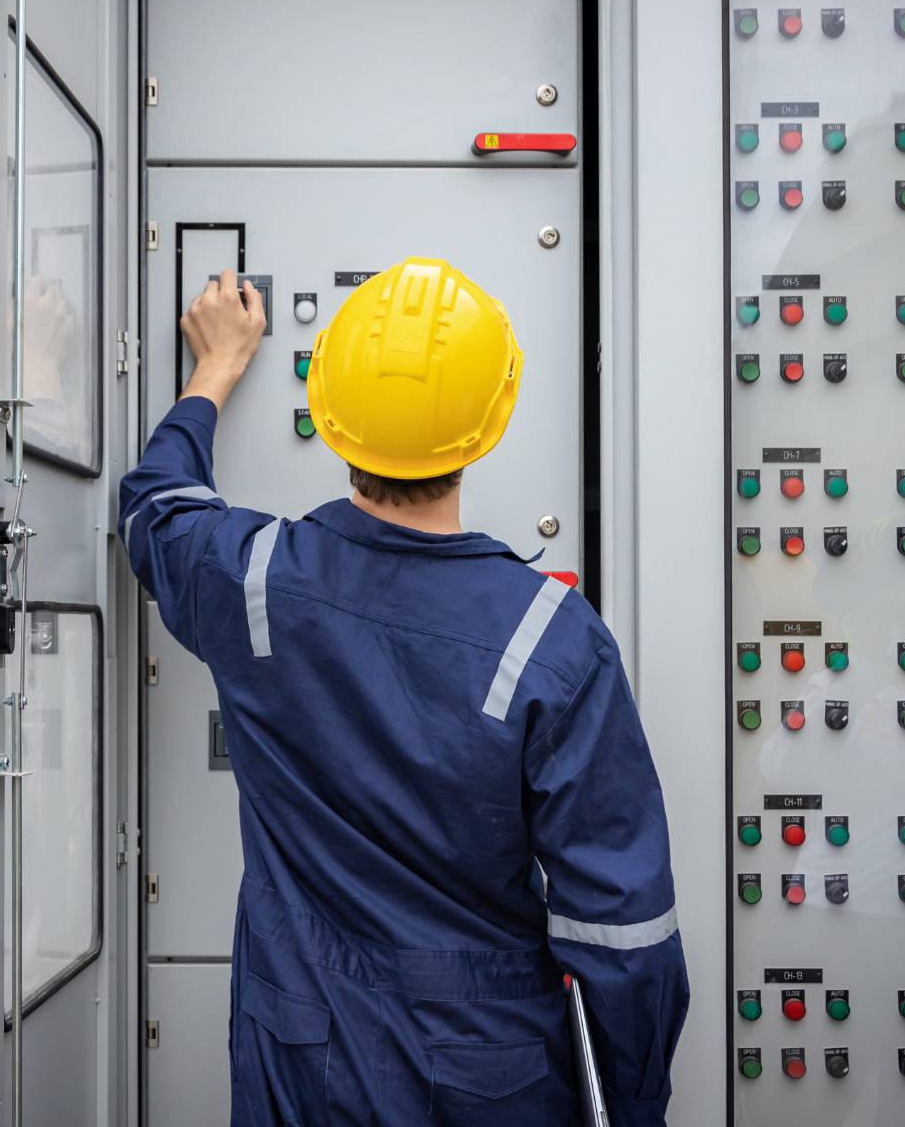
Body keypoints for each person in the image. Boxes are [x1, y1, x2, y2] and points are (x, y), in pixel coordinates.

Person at [121, 259, 688, 1126]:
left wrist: (218, 366)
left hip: (298, 1059)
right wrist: (634, 1103)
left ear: (335, 419)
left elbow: (155, 509)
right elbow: (623, 934)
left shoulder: (254, 580)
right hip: (488, 1075)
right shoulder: (553, 638)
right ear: (489, 423)